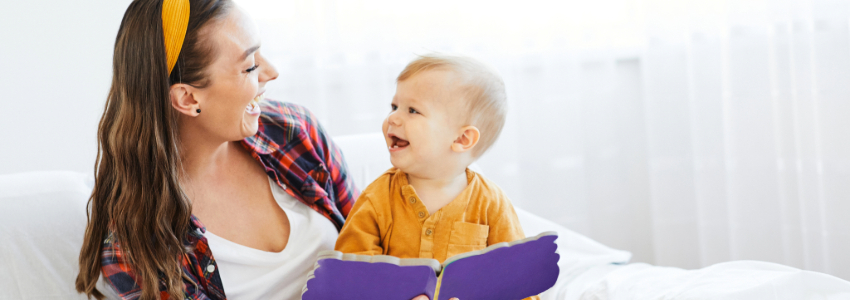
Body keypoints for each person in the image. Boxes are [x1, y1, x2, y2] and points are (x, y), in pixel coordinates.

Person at [74, 0, 364, 299]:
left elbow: (375, 241)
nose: (271, 72)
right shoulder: (134, 246)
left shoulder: (294, 131)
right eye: (249, 66)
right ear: (187, 98)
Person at [334, 54, 538, 300]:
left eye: (412, 110)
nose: (393, 118)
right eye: (394, 107)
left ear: (461, 139)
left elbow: (520, 284)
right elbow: (350, 275)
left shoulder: (491, 203)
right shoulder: (377, 199)